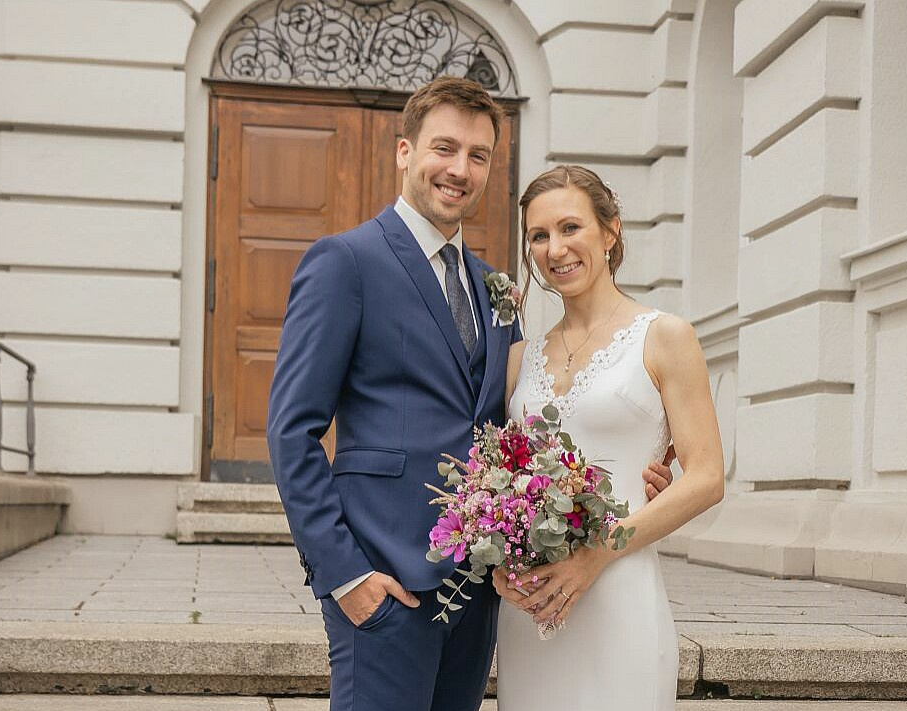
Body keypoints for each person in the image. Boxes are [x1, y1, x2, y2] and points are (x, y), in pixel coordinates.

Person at [267, 78, 675, 711]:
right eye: (444, 148)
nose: (460, 170)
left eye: (478, 155)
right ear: (405, 151)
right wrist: (344, 575)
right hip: (384, 584)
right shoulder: (344, 262)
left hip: (479, 590)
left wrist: (632, 468)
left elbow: (511, 429)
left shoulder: (494, 287)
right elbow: (292, 430)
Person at [493, 165, 725, 710]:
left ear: (610, 231)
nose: (556, 249)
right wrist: (502, 562)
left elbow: (708, 477)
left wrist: (597, 553)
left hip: (619, 591)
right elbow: (504, 482)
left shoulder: (665, 336)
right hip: (534, 607)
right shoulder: (519, 358)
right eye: (539, 236)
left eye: (571, 228)